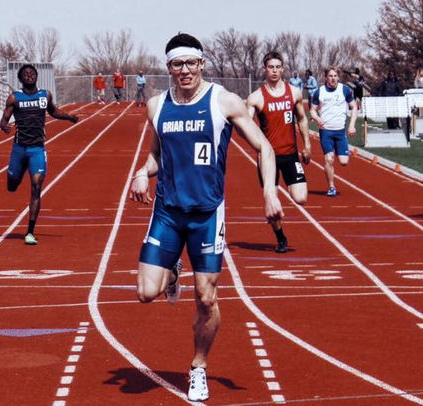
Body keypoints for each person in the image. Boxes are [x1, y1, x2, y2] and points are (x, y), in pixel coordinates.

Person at [130, 33, 283, 402]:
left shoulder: (223, 101)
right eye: (177, 64)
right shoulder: (156, 105)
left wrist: (269, 192)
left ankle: (198, 367)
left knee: (206, 298)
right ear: (168, 68)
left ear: (202, 63)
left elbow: (263, 146)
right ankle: (173, 271)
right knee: (145, 293)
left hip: (207, 215)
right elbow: (156, 156)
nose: (185, 71)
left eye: (191, 63)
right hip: (167, 211)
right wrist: (140, 172)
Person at [0, 64, 79, 245]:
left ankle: (30, 231)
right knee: (12, 186)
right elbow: (4, 120)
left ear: (36, 76)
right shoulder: (14, 98)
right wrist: (4, 126)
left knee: (36, 187)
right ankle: (14, 176)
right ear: (20, 79)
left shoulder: (45, 95)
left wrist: (69, 117)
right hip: (19, 149)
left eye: (32, 73)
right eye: (26, 74)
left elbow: (54, 111)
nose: (29, 75)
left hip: (37, 149)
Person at [246, 52, 311, 254]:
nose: (274, 70)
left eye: (277, 67)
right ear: (265, 69)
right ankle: (281, 238)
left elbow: (302, 119)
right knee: (272, 202)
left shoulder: (294, 93)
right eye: (270, 67)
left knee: (300, 198)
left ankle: (281, 199)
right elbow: (245, 126)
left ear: (283, 69)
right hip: (268, 158)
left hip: (290, 154)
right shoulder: (256, 98)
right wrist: (258, 146)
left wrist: (307, 144)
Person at [310, 66, 357, 197]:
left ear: (338, 77)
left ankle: (338, 150)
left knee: (343, 162)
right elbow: (312, 109)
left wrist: (352, 125)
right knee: (328, 159)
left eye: (335, 76)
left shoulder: (345, 90)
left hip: (340, 131)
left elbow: (354, 107)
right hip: (326, 131)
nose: (333, 78)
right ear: (326, 77)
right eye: (330, 76)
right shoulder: (319, 92)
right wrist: (317, 118)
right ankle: (331, 186)